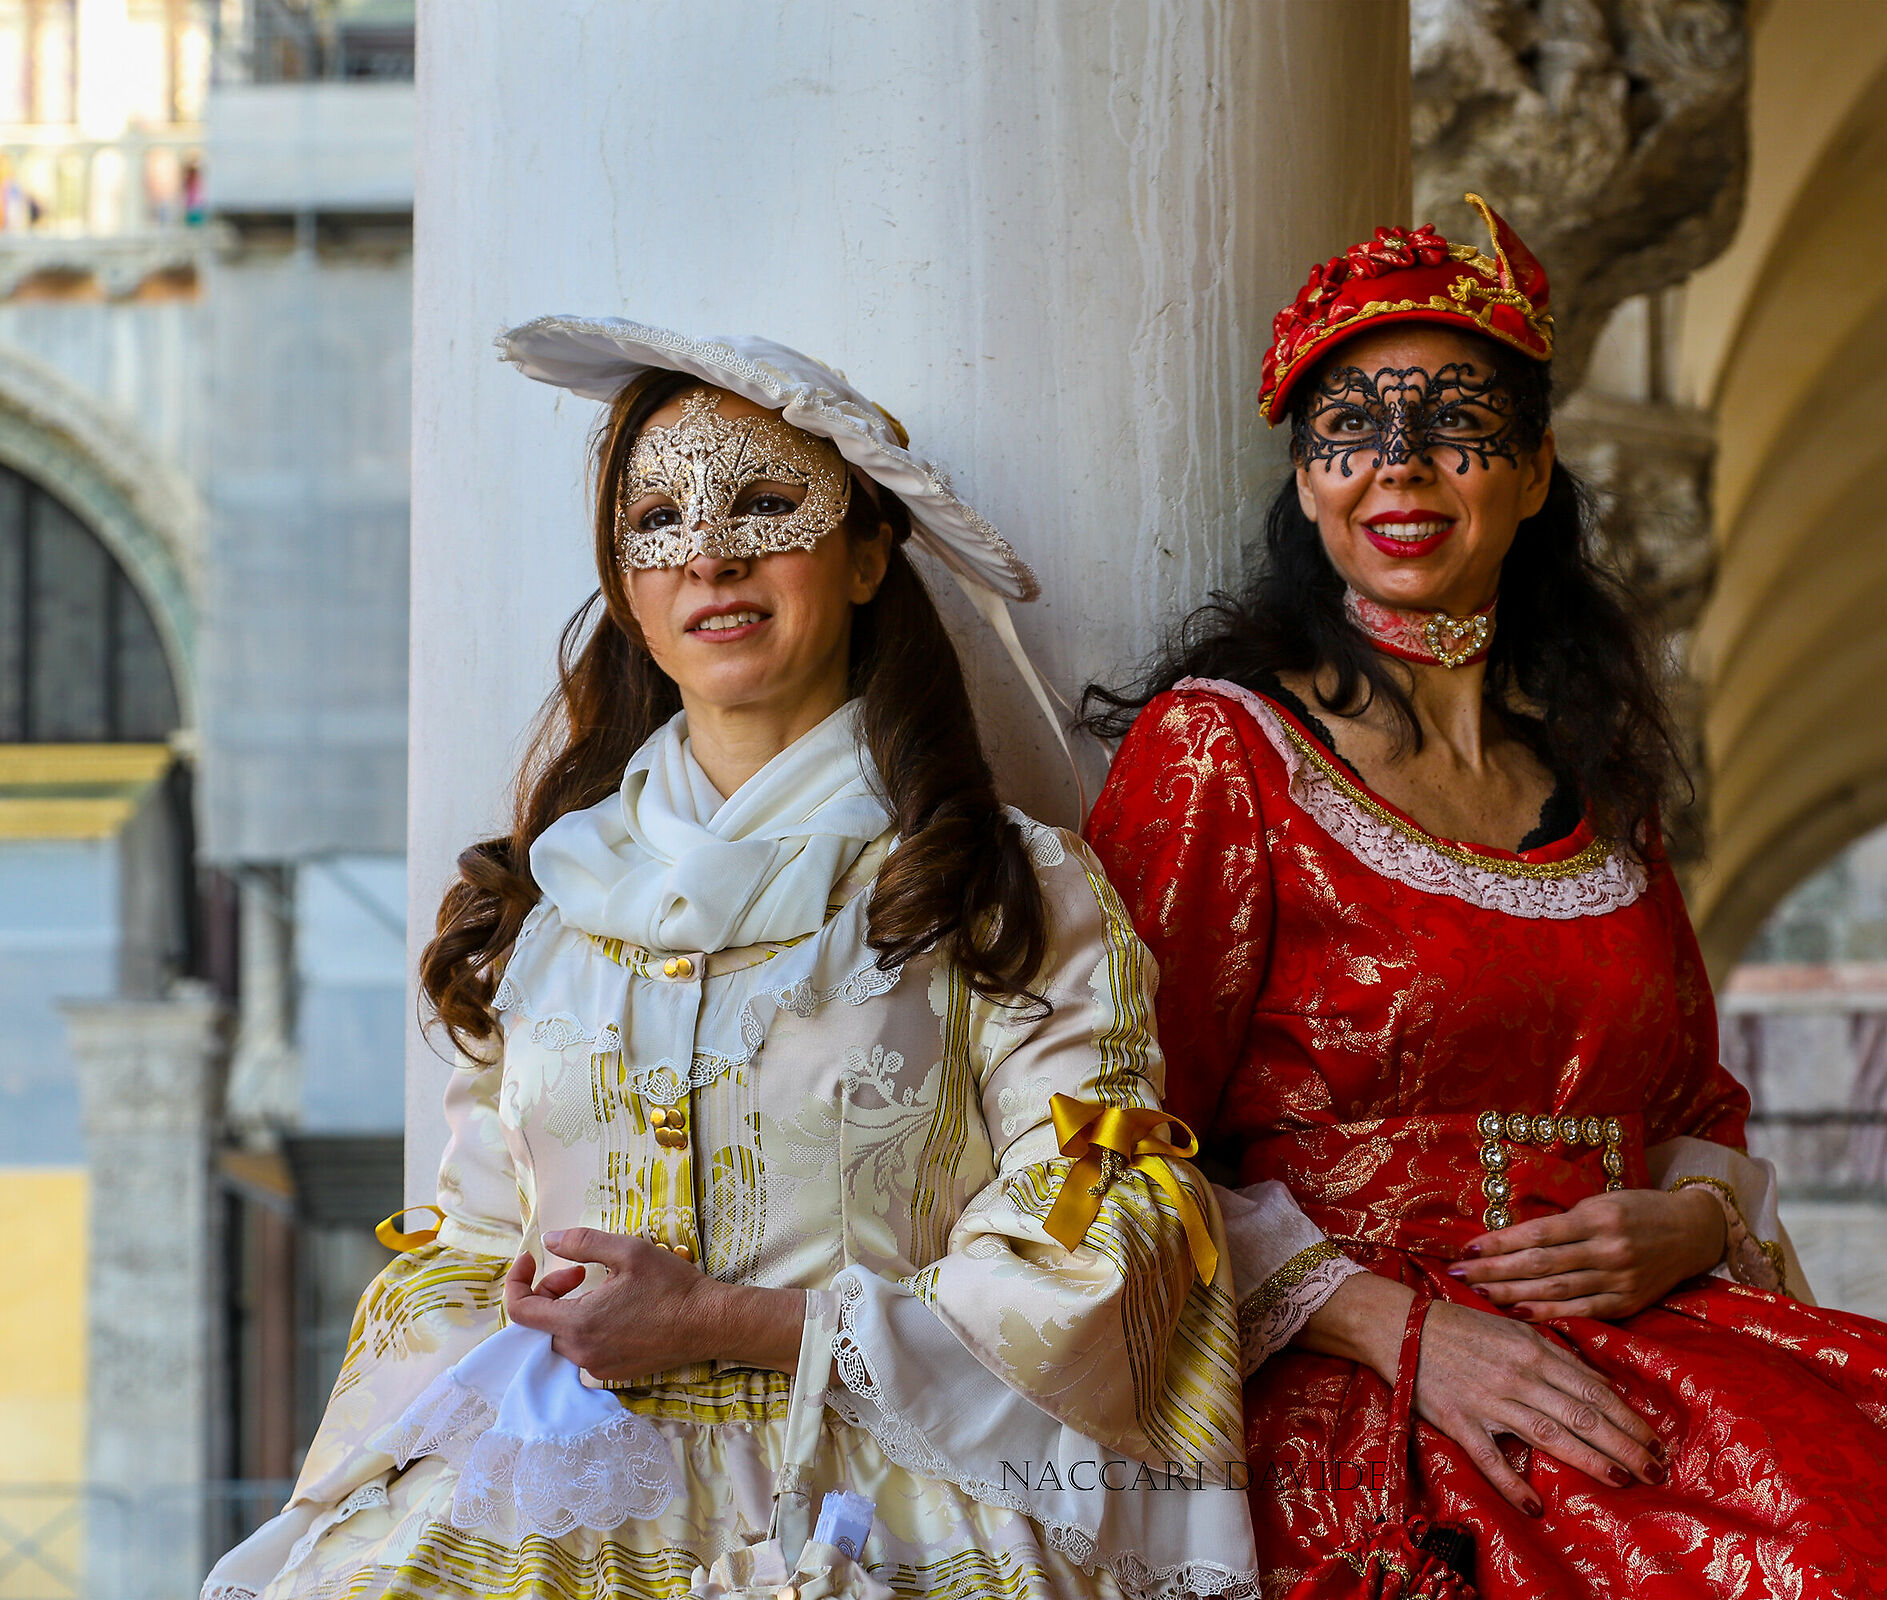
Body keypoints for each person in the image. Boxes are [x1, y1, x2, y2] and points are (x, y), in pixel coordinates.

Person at [1084, 200, 1887, 1598]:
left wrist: (1689, 1224)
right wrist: (1393, 1329)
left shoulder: (1602, 789)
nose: (1403, 464)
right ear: (1307, 481)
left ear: (1541, 468)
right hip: (1381, 1397)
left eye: (1458, 419)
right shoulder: (1223, 754)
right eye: (1352, 426)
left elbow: (1694, 1116)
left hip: (1657, 1345)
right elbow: (1106, 1135)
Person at [205, 317, 1252, 1600]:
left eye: (764, 506)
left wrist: (743, 1326)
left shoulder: (998, 889)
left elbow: (1106, 1230)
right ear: (627, 584)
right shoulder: (540, 910)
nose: (707, 553)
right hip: (546, 1505)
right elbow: (475, 1233)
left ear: (869, 553)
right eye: (657, 520)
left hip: (886, 1517)